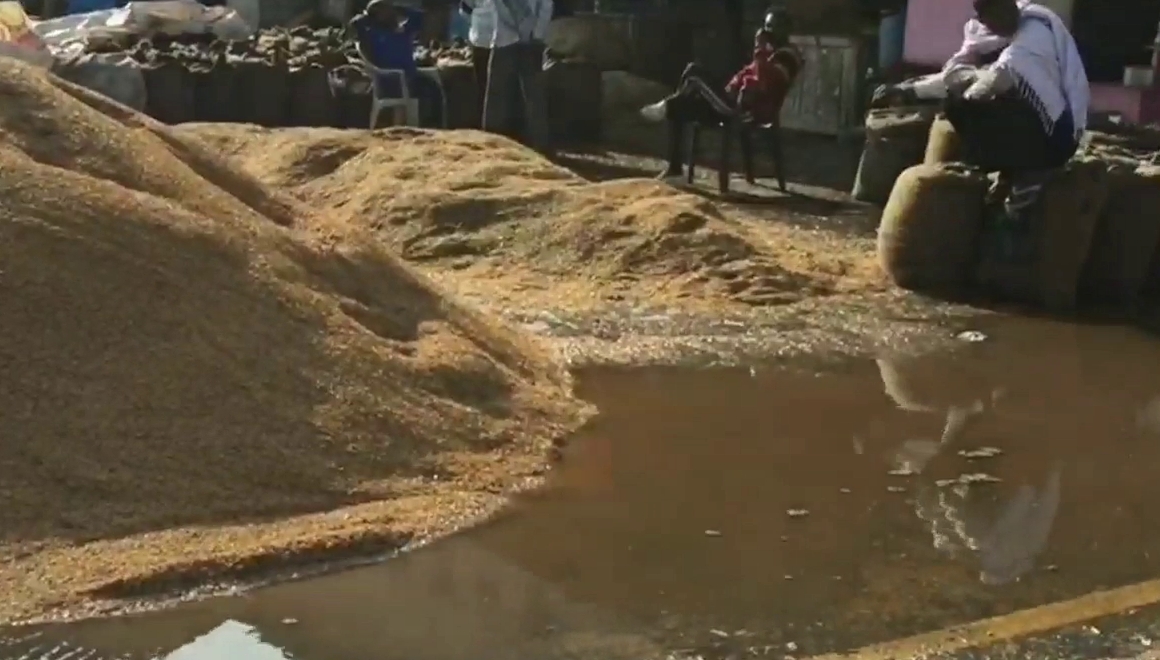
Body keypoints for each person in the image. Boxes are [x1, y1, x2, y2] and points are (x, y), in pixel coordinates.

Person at [871, 0, 1088, 233]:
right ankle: (1011, 170)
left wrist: (960, 100)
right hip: (1040, 123)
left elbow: (991, 81)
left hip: (1057, 136)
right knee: (966, 94)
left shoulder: (1030, 39)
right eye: (994, 14)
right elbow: (955, 75)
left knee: (962, 108)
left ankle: (1030, 174)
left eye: (1006, 9)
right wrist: (908, 89)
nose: (1004, 17)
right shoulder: (997, 32)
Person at [639, 12, 802, 182]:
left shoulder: (787, 57)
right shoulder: (770, 54)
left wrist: (760, 48)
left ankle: (667, 104)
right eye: (767, 26)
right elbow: (745, 78)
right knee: (678, 108)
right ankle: (675, 170)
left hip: (744, 111)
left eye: (773, 28)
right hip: (731, 101)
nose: (768, 32)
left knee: (694, 72)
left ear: (785, 30)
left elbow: (762, 82)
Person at [351, 0, 444, 127]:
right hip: (393, 80)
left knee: (434, 87)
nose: (392, 14)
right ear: (376, 17)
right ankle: (422, 126)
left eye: (392, 11)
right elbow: (356, 24)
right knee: (428, 91)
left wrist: (399, 8)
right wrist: (369, 16)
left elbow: (420, 17)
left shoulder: (402, 31)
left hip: (408, 77)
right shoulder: (373, 35)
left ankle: (430, 125)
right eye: (386, 12)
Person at [483, 0, 553, 154]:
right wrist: (532, 31)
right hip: (508, 37)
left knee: (532, 95)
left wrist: (536, 33)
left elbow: (546, 4)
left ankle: (541, 147)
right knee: (498, 94)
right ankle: (492, 146)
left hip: (523, 39)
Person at [459, 0, 496, 124]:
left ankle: (483, 121)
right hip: (496, 41)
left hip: (482, 39)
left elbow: (464, 10)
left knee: (483, 85)